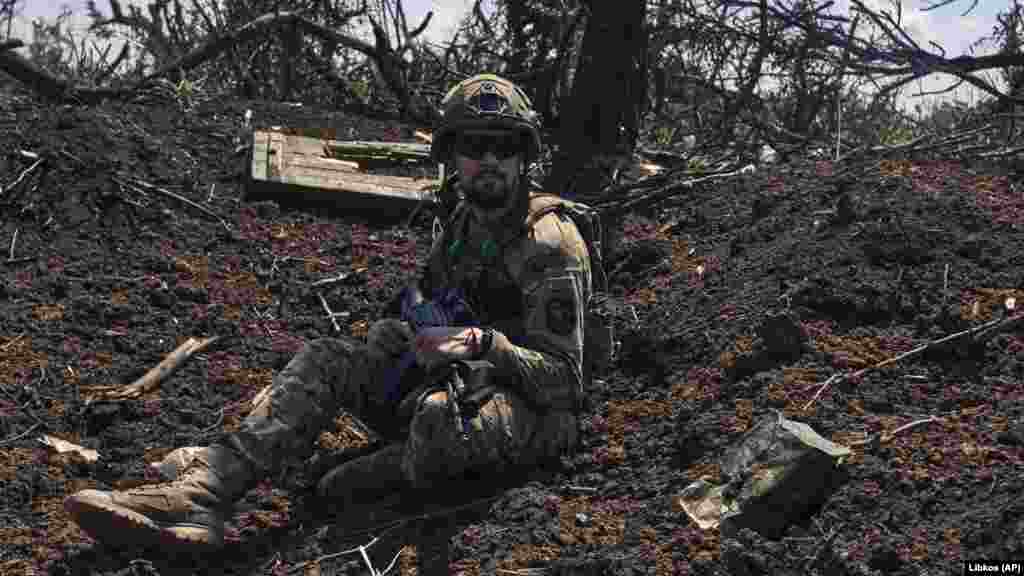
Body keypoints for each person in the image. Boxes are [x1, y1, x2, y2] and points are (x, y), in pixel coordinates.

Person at [64, 73, 594, 550]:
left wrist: (481, 344)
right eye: (476, 146)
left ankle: (383, 472)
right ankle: (209, 487)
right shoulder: (461, 228)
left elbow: (568, 384)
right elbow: (430, 307)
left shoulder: (549, 242)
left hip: (531, 413)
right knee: (327, 359)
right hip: (456, 388)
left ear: (524, 155)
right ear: (453, 157)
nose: (491, 161)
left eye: (504, 146)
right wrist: (405, 329)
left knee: (422, 429)